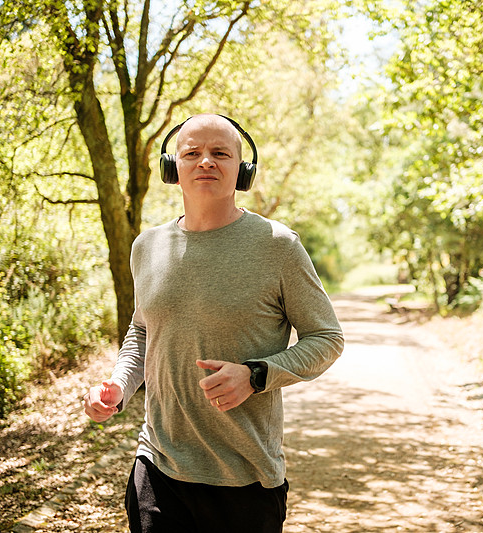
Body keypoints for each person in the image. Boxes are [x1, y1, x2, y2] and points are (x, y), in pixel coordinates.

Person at [83, 113, 344, 533]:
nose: (205, 161)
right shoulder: (147, 246)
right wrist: (118, 385)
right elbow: (143, 330)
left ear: (242, 170)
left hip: (245, 479)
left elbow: (326, 338)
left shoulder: (278, 246)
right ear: (173, 168)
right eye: (192, 153)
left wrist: (256, 375)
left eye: (220, 153)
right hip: (157, 467)